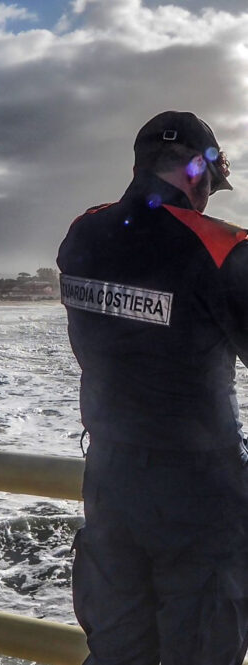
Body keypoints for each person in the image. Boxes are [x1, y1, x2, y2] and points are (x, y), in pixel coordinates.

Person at [58, 110, 247, 665]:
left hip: (110, 481)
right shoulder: (221, 248)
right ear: (199, 170)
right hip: (198, 490)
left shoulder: (82, 233)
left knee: (119, 650)